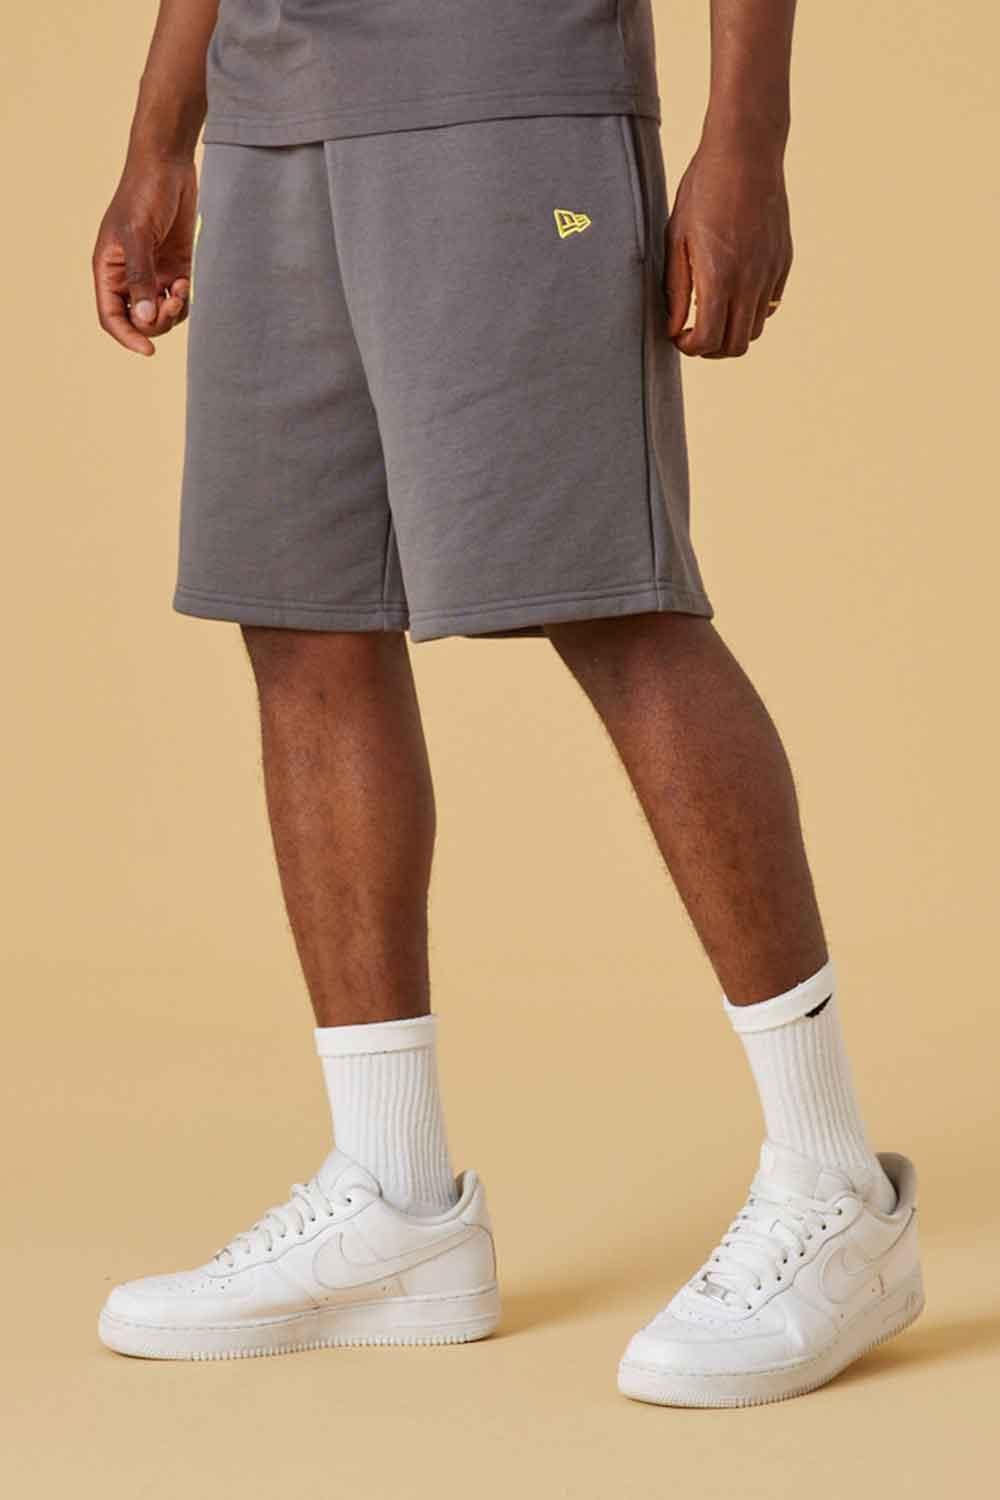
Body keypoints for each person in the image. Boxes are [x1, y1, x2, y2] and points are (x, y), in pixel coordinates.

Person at [91, 0, 922, 1405]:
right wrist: (161, 135)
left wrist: (748, 135)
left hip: (510, 97)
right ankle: (398, 1204)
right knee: (299, 615)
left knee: (613, 596)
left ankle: (837, 1184)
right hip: (273, 110)